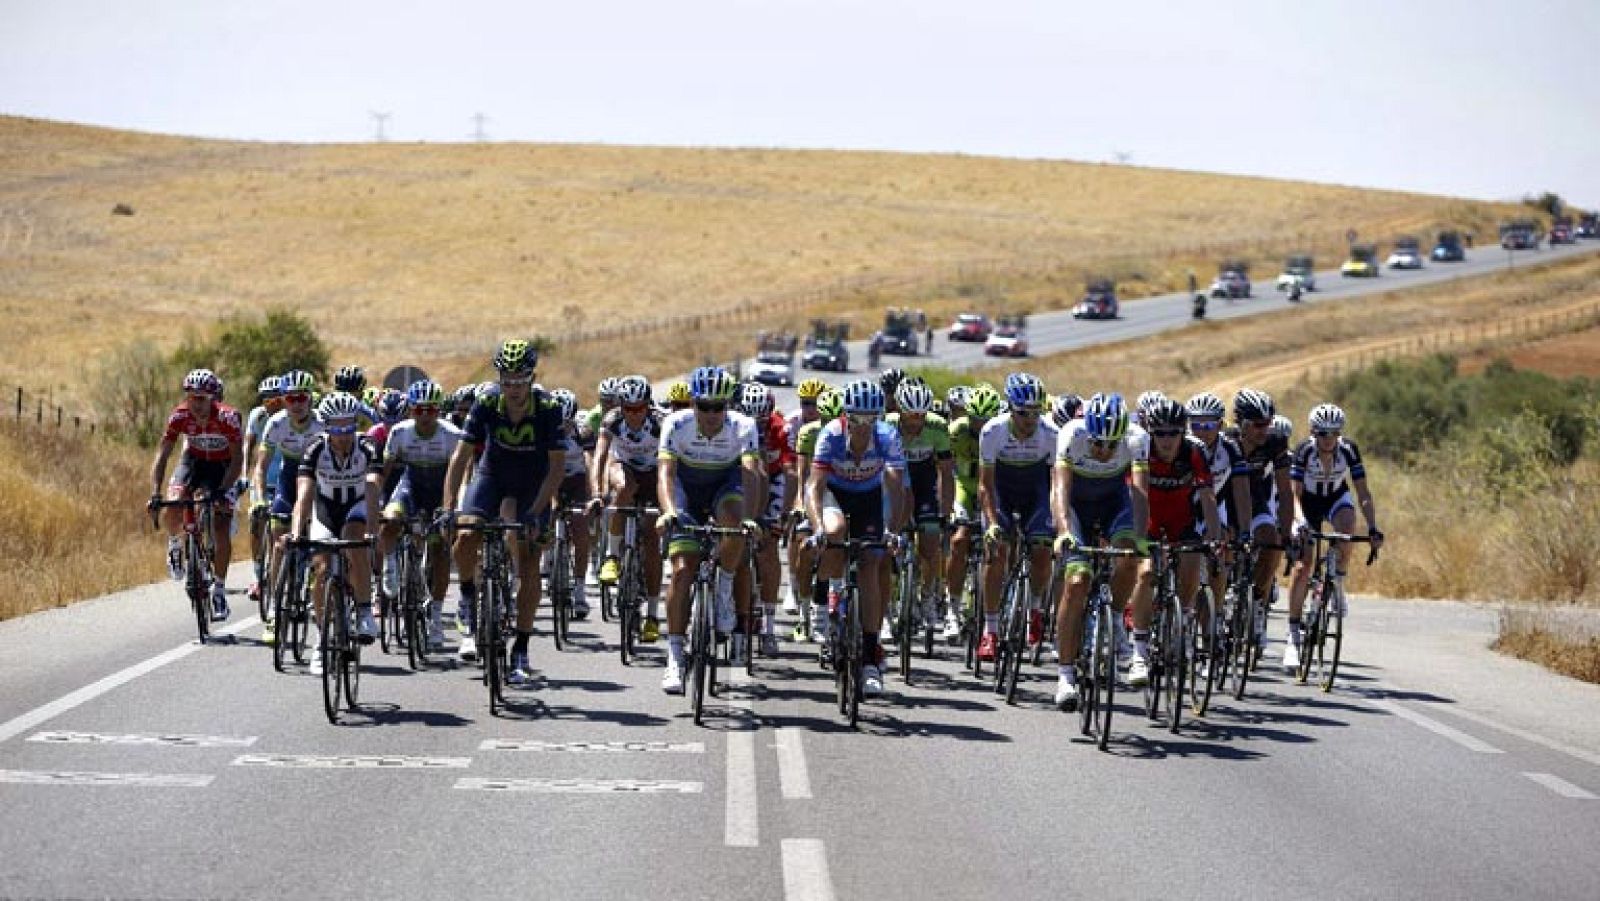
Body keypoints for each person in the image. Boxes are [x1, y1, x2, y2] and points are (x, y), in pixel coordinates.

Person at [442, 339, 565, 685]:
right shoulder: (485, 401)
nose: (512, 387)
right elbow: (461, 457)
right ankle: (468, 594)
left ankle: (521, 649)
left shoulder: (548, 406)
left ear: (531, 377)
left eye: (519, 379)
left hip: (534, 483)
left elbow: (556, 470)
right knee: (465, 534)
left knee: (528, 561)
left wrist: (537, 512)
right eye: (506, 379)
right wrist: (448, 505)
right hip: (492, 475)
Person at [656, 367, 763, 694]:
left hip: (724, 484)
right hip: (687, 488)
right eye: (705, 406)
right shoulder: (676, 423)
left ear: (728, 405)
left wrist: (750, 517)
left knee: (733, 518)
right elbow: (665, 474)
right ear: (693, 403)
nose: (712, 414)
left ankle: (725, 586)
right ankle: (675, 656)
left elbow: (751, 473)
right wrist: (670, 512)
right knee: (682, 571)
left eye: (719, 407)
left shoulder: (743, 426)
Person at [808, 379, 907, 698]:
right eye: (857, 418)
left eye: (870, 418)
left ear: (878, 417)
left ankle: (869, 659)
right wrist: (816, 528)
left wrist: (892, 530)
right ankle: (823, 598)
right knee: (834, 534)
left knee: (871, 563)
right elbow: (814, 487)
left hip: (869, 500)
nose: (863, 426)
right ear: (846, 416)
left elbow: (895, 486)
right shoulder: (831, 435)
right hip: (835, 495)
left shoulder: (888, 436)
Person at [1051, 393, 1149, 708]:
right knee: (1077, 582)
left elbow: (1139, 493)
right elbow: (1061, 489)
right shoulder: (1071, 434)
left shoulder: (1136, 438)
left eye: (1111, 445)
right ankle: (1065, 676)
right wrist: (1064, 531)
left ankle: (1117, 619)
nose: (1104, 451)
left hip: (1113, 503)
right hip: (1077, 505)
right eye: (1097, 444)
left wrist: (1139, 537)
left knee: (1129, 557)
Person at [1283, 403, 1384, 671]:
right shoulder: (1305, 451)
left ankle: (1338, 580)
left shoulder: (1348, 450)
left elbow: (1362, 493)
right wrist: (1300, 521)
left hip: (1336, 498)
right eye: (1322, 433)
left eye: (1333, 433)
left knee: (1347, 528)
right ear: (1313, 432)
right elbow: (1294, 494)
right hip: (1309, 504)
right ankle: (1293, 636)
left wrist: (1373, 527)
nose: (1327, 439)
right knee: (1303, 566)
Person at [1130, 398, 1223, 677]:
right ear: (1150, 432)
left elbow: (1207, 497)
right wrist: (1137, 539)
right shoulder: (1142, 452)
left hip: (1181, 522)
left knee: (1193, 566)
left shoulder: (1194, 452)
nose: (1167, 440)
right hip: (1147, 519)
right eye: (1160, 433)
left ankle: (1182, 623)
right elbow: (1139, 496)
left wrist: (1215, 539)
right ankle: (1140, 649)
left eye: (1174, 433)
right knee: (1146, 574)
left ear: (1183, 432)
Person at [292, 392, 382, 675]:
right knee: (320, 567)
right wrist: (296, 534)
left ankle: (365, 610)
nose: (342, 435)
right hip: (326, 508)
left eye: (348, 427)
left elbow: (372, 487)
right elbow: (304, 494)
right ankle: (321, 640)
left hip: (357, 505)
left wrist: (372, 530)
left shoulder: (367, 447)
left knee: (355, 541)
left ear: (356, 424)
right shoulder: (315, 448)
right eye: (336, 428)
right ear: (326, 426)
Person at [149, 369, 245, 621]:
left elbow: (237, 460)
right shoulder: (179, 416)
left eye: (202, 398)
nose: (197, 403)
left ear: (214, 398)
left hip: (223, 468)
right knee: (174, 502)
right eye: (192, 397)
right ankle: (174, 545)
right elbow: (162, 455)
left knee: (222, 524)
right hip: (193, 463)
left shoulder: (229, 418)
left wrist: (223, 491)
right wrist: (155, 492)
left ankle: (220, 591)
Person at [976, 374, 1059, 663]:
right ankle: (990, 630)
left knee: (1041, 549)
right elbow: (985, 485)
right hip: (1002, 491)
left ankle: (1035, 610)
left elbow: (1055, 483)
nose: (1030, 419)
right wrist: (991, 523)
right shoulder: (992, 431)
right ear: (1010, 408)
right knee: (996, 552)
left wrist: (1057, 521)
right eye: (1024, 412)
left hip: (1036, 492)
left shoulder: (1050, 434)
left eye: (1037, 412)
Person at [376, 380, 462, 651]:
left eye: (431, 410)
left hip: (440, 489)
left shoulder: (452, 434)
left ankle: (435, 616)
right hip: (410, 486)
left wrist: (454, 506)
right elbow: (385, 471)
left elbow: (462, 473)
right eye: (419, 410)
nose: (425, 416)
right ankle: (390, 564)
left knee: (439, 553)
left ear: (439, 411)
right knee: (389, 520)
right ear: (410, 411)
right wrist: (377, 499)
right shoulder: (400, 432)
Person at [590, 375, 666, 643]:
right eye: (628, 408)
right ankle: (612, 556)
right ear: (620, 406)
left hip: (654, 474)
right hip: (624, 469)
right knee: (623, 488)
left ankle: (653, 615)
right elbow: (599, 457)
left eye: (639, 408)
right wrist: (597, 494)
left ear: (648, 405)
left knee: (653, 543)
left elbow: (674, 463)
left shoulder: (660, 422)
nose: (633, 414)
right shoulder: (612, 420)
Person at [888, 380, 954, 638]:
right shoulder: (888, 424)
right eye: (911, 415)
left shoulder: (937, 427)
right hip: (894, 483)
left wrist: (946, 512)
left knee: (929, 542)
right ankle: (891, 599)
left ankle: (927, 596)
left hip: (924, 483)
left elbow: (946, 473)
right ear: (900, 411)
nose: (916, 421)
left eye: (921, 416)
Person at [944, 383, 1000, 643]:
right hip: (964, 487)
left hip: (992, 489)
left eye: (985, 420)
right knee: (959, 539)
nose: (980, 425)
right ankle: (952, 609)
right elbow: (943, 468)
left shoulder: (1000, 433)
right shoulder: (956, 431)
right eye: (975, 419)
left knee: (998, 546)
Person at [242, 375, 285, 602]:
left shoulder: (289, 419)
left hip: (287, 482)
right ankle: (258, 576)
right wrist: (243, 474)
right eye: (267, 401)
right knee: (256, 523)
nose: (272, 405)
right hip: (263, 481)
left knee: (285, 529)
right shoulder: (257, 417)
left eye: (276, 400)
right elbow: (247, 446)